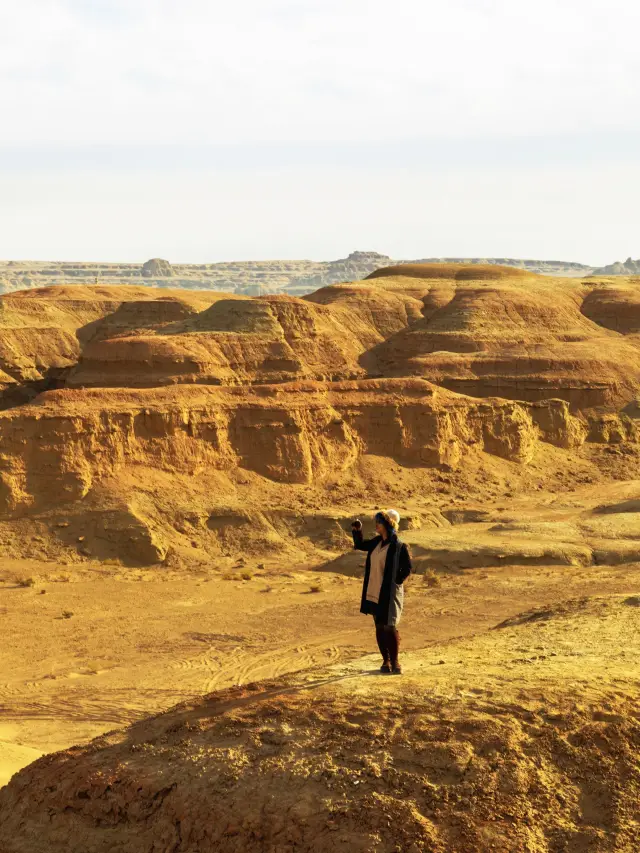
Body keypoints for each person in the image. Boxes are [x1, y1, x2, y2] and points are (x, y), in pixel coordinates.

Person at [351, 509, 412, 674]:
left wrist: (396, 582)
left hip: (389, 593)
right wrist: (357, 531)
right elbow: (360, 545)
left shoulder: (399, 546)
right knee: (379, 626)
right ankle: (385, 661)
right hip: (374, 589)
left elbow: (407, 568)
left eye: (379, 522)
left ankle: (395, 662)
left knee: (389, 626)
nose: (376, 525)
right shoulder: (376, 542)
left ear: (388, 524)